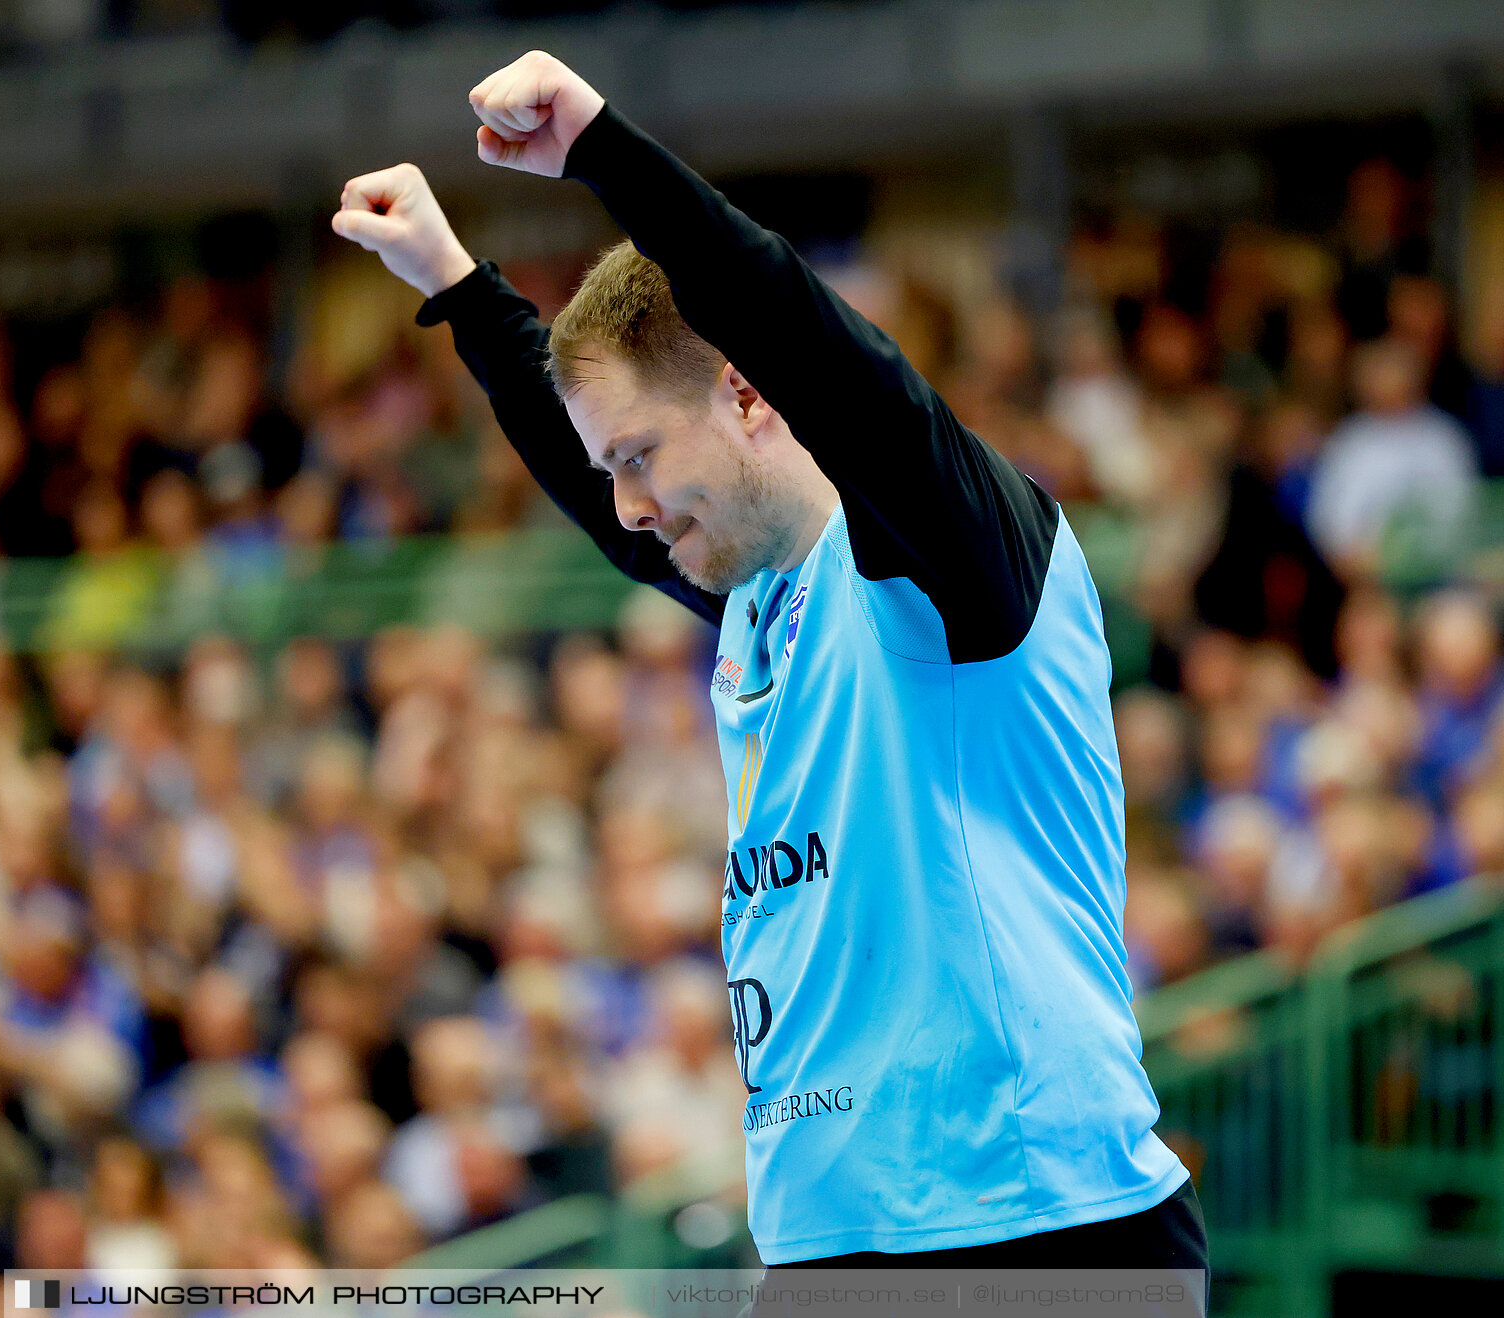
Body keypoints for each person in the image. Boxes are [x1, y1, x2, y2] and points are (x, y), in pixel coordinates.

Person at [331, 49, 1209, 1292]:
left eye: (639, 452)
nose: (626, 504)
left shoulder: (945, 556)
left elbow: (831, 362)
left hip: (1031, 1234)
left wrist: (601, 149)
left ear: (748, 392)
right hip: (833, 1242)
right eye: (610, 465)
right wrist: (459, 285)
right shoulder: (760, 601)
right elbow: (601, 502)